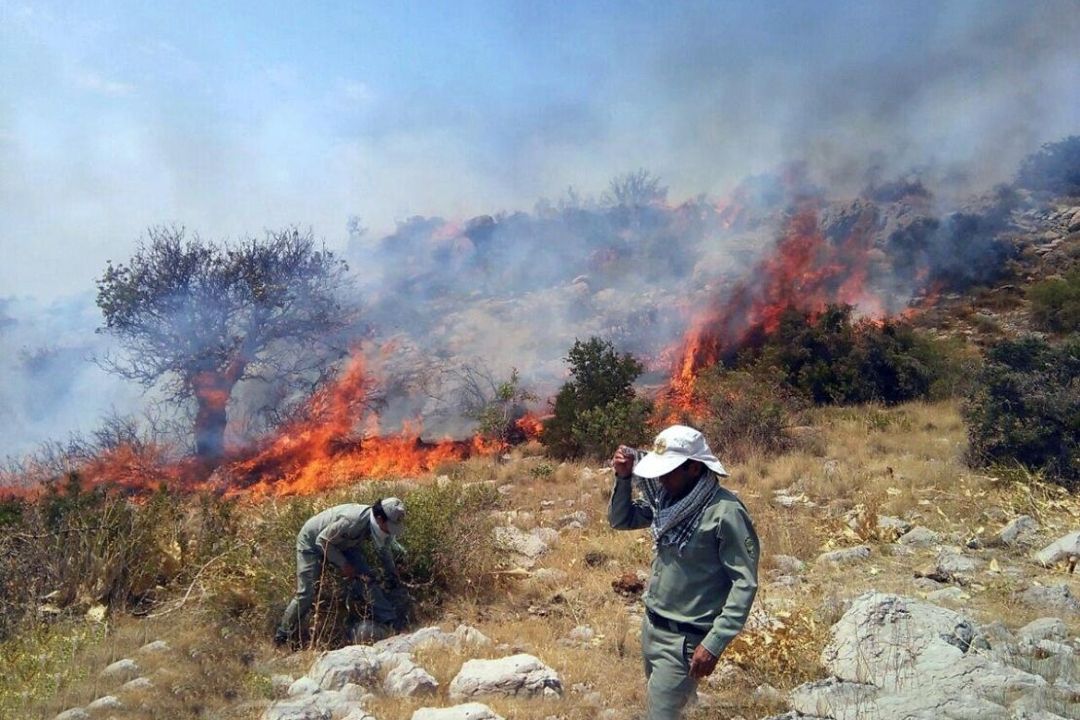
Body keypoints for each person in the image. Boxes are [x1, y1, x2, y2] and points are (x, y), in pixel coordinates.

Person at [609, 425, 759, 720]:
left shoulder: (724, 512)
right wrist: (624, 479)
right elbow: (621, 519)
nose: (661, 479)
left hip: (684, 642)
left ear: (693, 467)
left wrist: (714, 643)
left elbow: (744, 583)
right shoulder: (667, 502)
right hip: (652, 629)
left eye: (670, 470)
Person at [275, 497, 409, 648]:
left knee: (367, 580)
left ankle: (391, 622)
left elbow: (384, 549)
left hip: (344, 544)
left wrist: (392, 573)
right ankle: (282, 635)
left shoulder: (377, 525)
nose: (391, 530)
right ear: (379, 519)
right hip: (312, 542)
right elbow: (322, 541)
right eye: (390, 525)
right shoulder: (352, 522)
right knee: (306, 593)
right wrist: (343, 564)